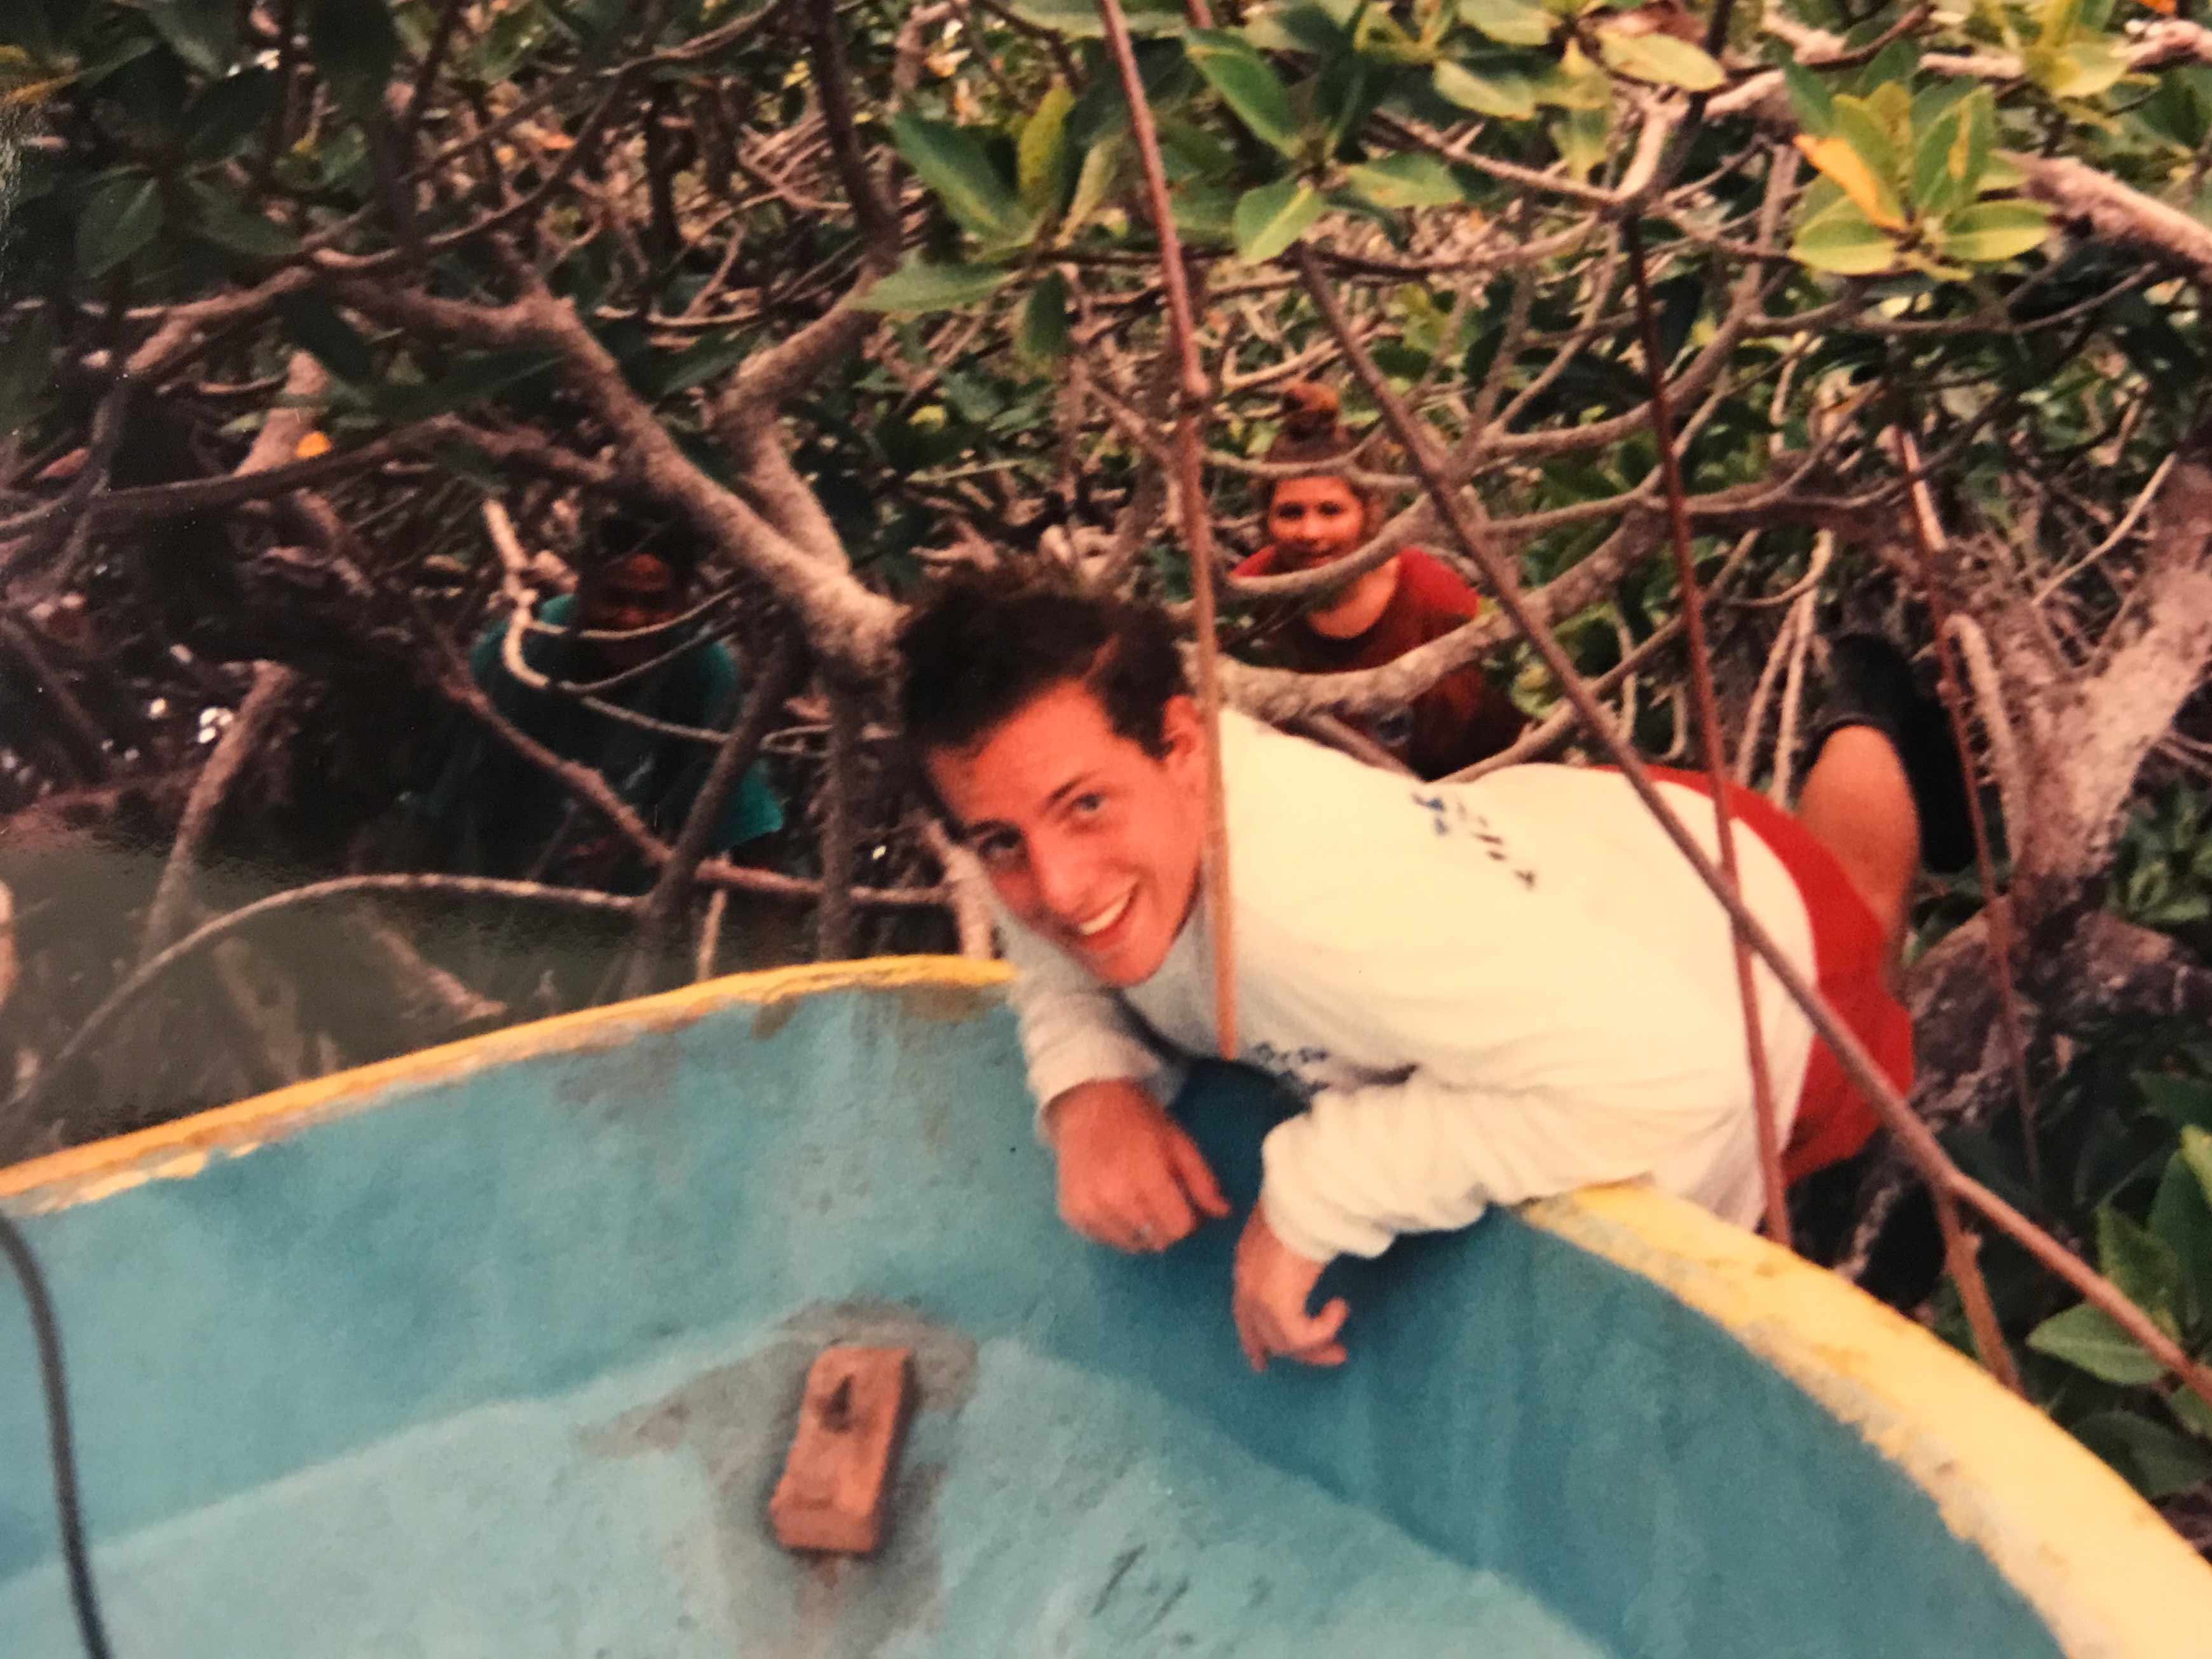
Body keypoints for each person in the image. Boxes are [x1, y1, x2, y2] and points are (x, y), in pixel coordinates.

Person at [898, 572, 1966, 1374]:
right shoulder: (1092, 806)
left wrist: (1313, 1196)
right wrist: (1091, 1084)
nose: (1059, 883)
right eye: (1000, 842)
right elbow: (1048, 925)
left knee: (1868, 906)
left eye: (1086, 807)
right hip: (1575, 863)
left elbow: (1672, 1076)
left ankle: (1868, 712)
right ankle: (1864, 722)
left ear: (1183, 748)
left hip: (1740, 940)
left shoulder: (1311, 915)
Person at [429, 512, 784, 889]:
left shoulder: (704, 667)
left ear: (683, 602)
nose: (631, 619)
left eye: (653, 603)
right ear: (583, 590)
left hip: (631, 881)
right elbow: (437, 803)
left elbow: (749, 827)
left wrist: (639, 841)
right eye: (615, 598)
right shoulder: (522, 653)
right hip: (504, 870)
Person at [1232, 383, 1524, 778]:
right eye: (1291, 513)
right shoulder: (1244, 597)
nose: (1310, 532)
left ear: (1370, 511)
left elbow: (1506, 747)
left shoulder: (1437, 601)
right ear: (1266, 519)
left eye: (1331, 511)